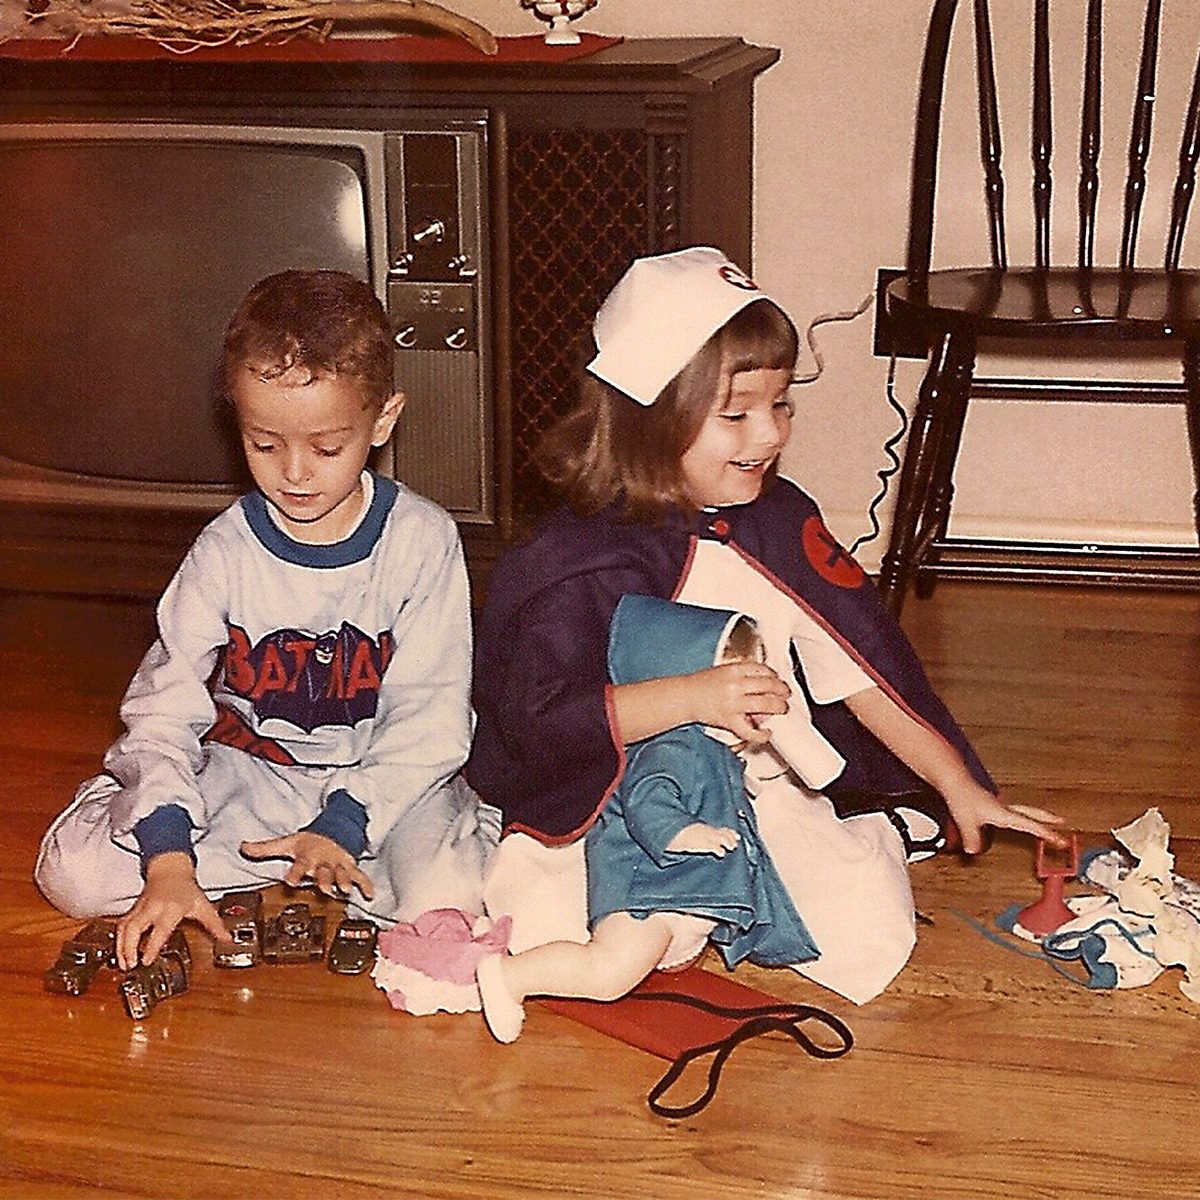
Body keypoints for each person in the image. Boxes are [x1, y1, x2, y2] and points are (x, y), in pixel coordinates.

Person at [466, 246, 1066, 1005]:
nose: (771, 434)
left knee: (867, 937)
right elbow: (543, 721)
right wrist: (694, 696)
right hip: (608, 797)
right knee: (538, 932)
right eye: (737, 414)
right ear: (648, 418)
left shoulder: (779, 524)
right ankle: (681, 910)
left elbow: (863, 666)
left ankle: (849, 845)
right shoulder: (576, 558)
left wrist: (958, 783)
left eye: (780, 404)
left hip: (756, 790)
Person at [35, 269, 498, 971]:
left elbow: (430, 715)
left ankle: (334, 853)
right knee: (76, 876)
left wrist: (346, 820)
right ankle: (174, 823)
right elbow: (165, 709)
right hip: (250, 774)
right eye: (265, 444)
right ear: (238, 423)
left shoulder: (423, 540)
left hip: (381, 782)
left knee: (452, 897)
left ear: (382, 421)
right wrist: (165, 856)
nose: (294, 473)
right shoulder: (224, 551)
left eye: (327, 447)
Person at [476, 594, 817, 1042]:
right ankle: (511, 976)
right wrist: (683, 831)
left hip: (675, 886)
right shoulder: (672, 746)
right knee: (610, 972)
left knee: (660, 949)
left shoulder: (709, 745)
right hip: (647, 883)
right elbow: (647, 798)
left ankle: (667, 947)